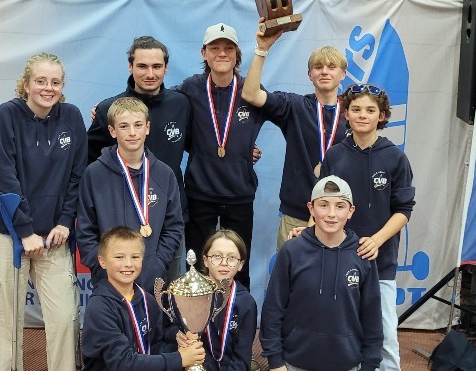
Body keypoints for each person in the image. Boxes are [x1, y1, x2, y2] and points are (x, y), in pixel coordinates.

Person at [0, 53, 85, 371]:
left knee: (65, 318)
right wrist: (25, 232)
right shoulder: (8, 114)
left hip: (55, 236)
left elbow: (76, 176)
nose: (48, 88)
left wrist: (66, 222)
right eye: (40, 81)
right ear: (26, 84)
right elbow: (3, 177)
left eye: (55, 82)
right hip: (9, 234)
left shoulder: (71, 116)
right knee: (8, 323)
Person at [320, 84, 415, 370]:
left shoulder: (395, 157)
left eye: (370, 110)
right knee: (339, 331)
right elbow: (322, 204)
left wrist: (376, 240)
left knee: (384, 335)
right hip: (338, 258)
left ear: (382, 116)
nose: (363, 115)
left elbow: (403, 211)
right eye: (356, 109)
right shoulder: (335, 155)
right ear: (346, 114)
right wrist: (309, 231)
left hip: (379, 262)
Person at [86, 35, 191, 279]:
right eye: (142, 66)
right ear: (130, 66)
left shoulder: (181, 104)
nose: (150, 73)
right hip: (119, 220)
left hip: (167, 222)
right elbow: (87, 162)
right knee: (121, 302)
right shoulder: (108, 110)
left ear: (166, 68)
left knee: (167, 301)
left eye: (157, 66)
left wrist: (245, 149)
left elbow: (200, 145)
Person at [242, 17, 348, 250]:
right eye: (318, 67)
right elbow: (250, 94)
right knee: (291, 282)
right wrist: (262, 49)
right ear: (309, 74)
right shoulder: (295, 106)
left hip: (339, 216)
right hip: (297, 215)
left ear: (343, 74)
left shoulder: (353, 114)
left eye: (332, 67)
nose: (324, 72)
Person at [174, 22, 267, 288]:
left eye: (229, 48)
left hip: (239, 192)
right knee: (199, 264)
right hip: (200, 192)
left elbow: (287, 112)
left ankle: (238, 321)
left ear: (237, 54)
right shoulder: (190, 89)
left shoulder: (251, 90)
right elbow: (157, 106)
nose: (222, 53)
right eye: (215, 48)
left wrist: (244, 147)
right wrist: (110, 106)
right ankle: (198, 324)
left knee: (238, 263)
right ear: (204, 53)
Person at [260, 176, 383, 371]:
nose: (331, 214)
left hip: (347, 364)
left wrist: (369, 364)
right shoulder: (292, 251)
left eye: (340, 206)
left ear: (351, 211)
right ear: (311, 209)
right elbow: (273, 309)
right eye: (323, 205)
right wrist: (275, 361)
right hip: (294, 363)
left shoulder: (363, 254)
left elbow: (372, 316)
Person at [77, 97, 184, 293]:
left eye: (138, 125)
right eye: (124, 126)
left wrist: (158, 262)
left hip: (153, 279)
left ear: (148, 128)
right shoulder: (94, 174)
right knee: (111, 324)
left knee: (152, 324)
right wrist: (100, 266)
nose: (132, 133)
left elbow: (174, 226)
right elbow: (85, 229)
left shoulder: (164, 174)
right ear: (112, 131)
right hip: (107, 280)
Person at [81, 226, 206, 370]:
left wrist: (179, 344)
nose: (128, 264)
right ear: (102, 261)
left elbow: (155, 346)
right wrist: (178, 358)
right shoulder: (99, 307)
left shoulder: (147, 300)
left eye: (135, 257)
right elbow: (122, 363)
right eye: (119, 257)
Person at [178, 229, 258, 370]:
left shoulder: (246, 303)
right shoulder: (188, 291)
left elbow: (242, 360)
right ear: (205, 261)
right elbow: (169, 329)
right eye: (216, 256)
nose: (224, 263)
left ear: (240, 265)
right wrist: (176, 334)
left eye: (232, 258)